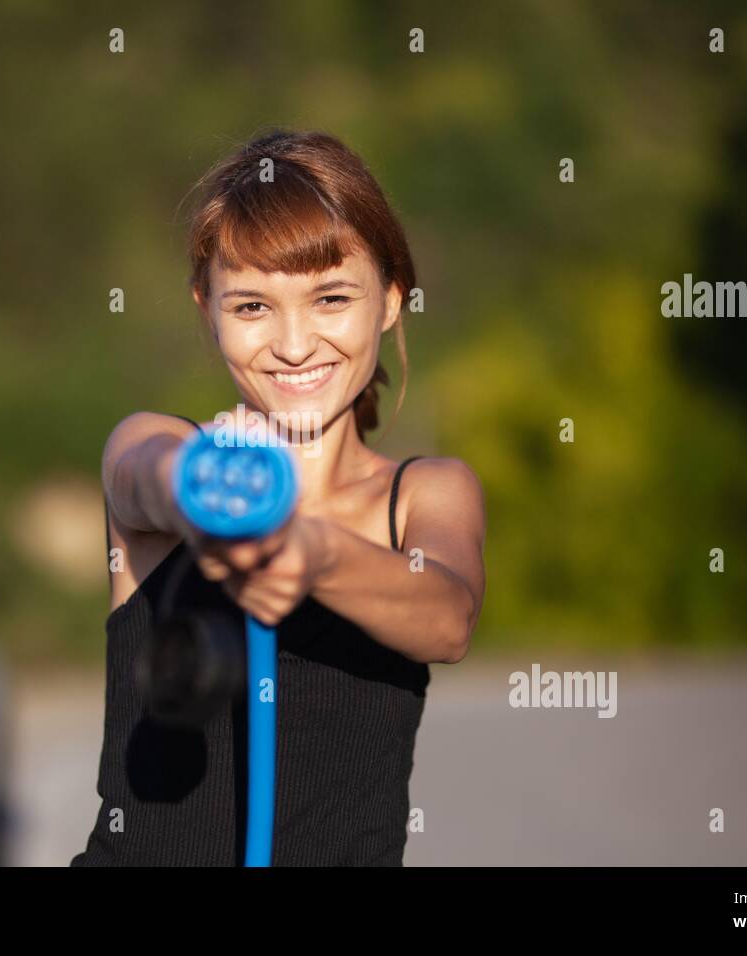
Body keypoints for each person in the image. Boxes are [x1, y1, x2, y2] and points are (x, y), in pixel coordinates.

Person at [71, 129, 486, 866]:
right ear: (206, 307)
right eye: (253, 307)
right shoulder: (163, 445)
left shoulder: (425, 492)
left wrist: (311, 552)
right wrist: (209, 484)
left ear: (390, 299)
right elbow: (146, 477)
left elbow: (446, 618)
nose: (295, 346)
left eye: (331, 298)